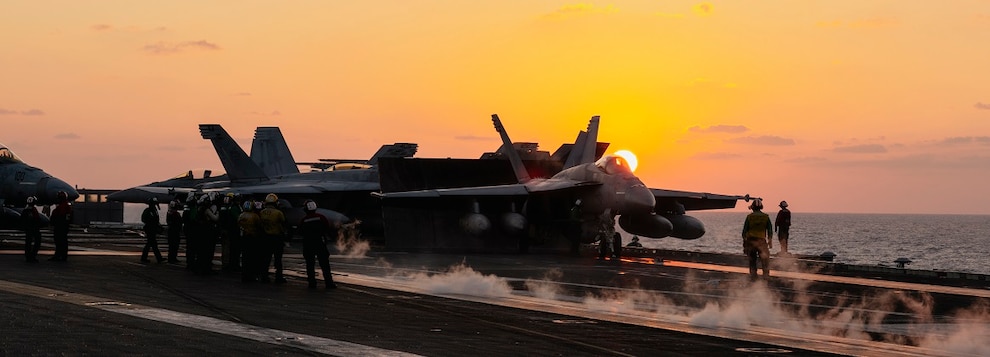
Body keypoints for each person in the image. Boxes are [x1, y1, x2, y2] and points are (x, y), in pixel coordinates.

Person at [297, 200, 338, 289]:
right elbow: (327, 228)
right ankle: (329, 283)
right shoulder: (321, 217)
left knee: (310, 265)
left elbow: (300, 231)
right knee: (325, 264)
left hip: (308, 244)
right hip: (320, 242)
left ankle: (312, 283)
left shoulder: (304, 220)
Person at [742, 198, 773, 281]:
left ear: (752, 207)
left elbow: (744, 232)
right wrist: (770, 241)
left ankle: (753, 276)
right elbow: (770, 230)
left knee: (752, 260)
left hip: (751, 241)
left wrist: (745, 243)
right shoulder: (766, 217)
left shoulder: (749, 217)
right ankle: (766, 276)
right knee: (765, 259)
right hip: (762, 241)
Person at [259, 193, 288, 284]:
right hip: (276, 238)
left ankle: (264, 276)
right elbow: (284, 224)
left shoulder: (262, 212)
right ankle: (278, 277)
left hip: (265, 238)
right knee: (278, 259)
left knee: (266, 258)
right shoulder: (278, 213)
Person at [238, 200, 263, 283]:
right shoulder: (255, 216)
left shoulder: (241, 215)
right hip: (252, 238)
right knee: (252, 257)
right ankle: (251, 275)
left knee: (245, 257)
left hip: (243, 237)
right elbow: (259, 226)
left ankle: (244, 275)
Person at [49, 190, 73, 262]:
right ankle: (61, 256)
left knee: (59, 242)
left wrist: (54, 222)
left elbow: (58, 217)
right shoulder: (67, 207)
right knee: (62, 242)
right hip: (64, 227)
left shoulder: (62, 207)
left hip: (60, 227)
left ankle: (59, 256)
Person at [20, 196, 45, 263]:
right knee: (37, 242)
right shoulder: (33, 210)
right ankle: (32, 256)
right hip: (34, 229)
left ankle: (28, 256)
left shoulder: (25, 210)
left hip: (29, 229)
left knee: (28, 243)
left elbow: (22, 221)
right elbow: (37, 219)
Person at [140, 197, 165, 263]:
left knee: (151, 244)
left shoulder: (154, 210)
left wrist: (158, 226)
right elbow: (144, 219)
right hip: (150, 229)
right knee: (152, 244)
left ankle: (156, 258)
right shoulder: (149, 211)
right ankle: (158, 258)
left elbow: (156, 220)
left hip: (152, 229)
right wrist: (151, 224)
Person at [165, 199, 183, 263]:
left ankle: (172, 258)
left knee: (173, 246)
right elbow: (179, 222)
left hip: (173, 231)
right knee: (173, 246)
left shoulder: (170, 213)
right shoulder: (174, 214)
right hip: (174, 232)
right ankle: (172, 258)